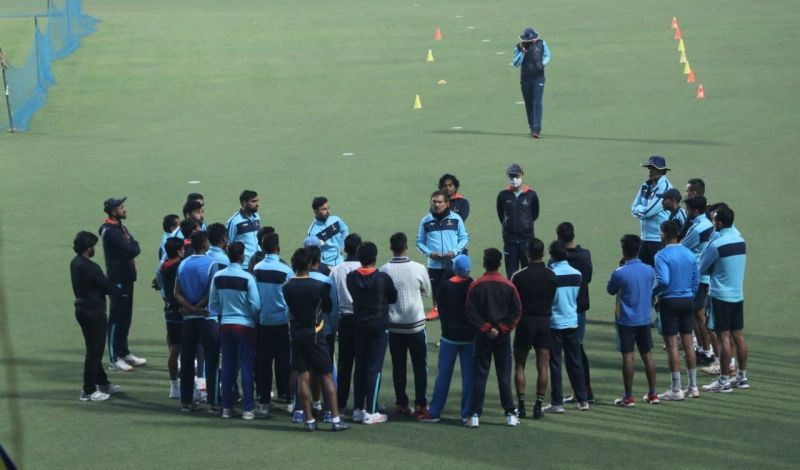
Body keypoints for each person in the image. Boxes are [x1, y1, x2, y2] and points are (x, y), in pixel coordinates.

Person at [283, 248, 349, 432]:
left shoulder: (287, 286)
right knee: (326, 375)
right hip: (316, 334)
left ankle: (309, 419)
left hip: (296, 335)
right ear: (310, 264)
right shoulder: (318, 286)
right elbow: (328, 309)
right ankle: (335, 418)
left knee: (303, 376)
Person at [464, 248, 522, 428]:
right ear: (500, 263)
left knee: (480, 374)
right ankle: (510, 413)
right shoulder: (509, 286)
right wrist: (501, 328)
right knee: (503, 374)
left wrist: (487, 328)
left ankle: (474, 415)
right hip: (503, 337)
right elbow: (516, 312)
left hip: (482, 336)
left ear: (484, 263)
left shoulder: (476, 285)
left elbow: (470, 312)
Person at [417, 255, 474, 423]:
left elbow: (440, 308)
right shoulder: (473, 285)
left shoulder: (445, 287)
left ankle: (434, 411)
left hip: (449, 336)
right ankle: (467, 414)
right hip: (469, 338)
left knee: (443, 375)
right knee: (469, 376)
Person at [380, 232, 432, 417]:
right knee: (420, 365)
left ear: (391, 247)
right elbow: (427, 291)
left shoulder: (384, 269)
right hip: (415, 325)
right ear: (406, 246)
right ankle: (421, 405)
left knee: (398, 366)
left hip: (394, 326)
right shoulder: (418, 268)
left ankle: (401, 403)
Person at [347, 242, 398, 425]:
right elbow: (393, 297)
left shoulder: (351, 277)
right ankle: (372, 410)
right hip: (378, 326)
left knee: (360, 366)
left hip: (359, 325)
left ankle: (359, 408)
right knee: (374, 369)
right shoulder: (382, 278)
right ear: (375, 257)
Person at [699, 206, 749, 393]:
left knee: (723, 338)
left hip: (720, 296)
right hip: (737, 294)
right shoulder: (740, 241)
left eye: (713, 220)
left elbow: (701, 268)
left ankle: (724, 381)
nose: (712, 223)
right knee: (738, 336)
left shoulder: (716, 244)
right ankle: (742, 377)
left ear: (719, 223)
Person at [209, 242, 261, 420]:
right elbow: (255, 305)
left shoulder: (218, 276)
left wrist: (224, 313)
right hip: (245, 325)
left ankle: (227, 408)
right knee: (246, 367)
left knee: (228, 367)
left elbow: (213, 304)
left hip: (225, 325)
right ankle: (248, 408)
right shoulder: (248, 277)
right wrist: (252, 319)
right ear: (242, 256)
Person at [607, 234, 658, 406]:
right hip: (645, 318)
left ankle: (628, 397)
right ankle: (653, 394)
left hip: (626, 321)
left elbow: (610, 290)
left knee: (628, 357)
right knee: (647, 355)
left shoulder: (620, 273)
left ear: (624, 250)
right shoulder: (649, 270)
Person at [70, 231, 121, 402]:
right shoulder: (91, 267)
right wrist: (118, 290)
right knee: (94, 352)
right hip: (94, 312)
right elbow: (108, 287)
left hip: (82, 309)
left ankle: (102, 382)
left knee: (94, 349)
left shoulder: (75, 263)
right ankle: (88, 390)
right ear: (88, 248)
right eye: (93, 246)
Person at [653, 220, 700, 401]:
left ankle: (676, 388)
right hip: (687, 301)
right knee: (689, 344)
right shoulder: (689, 254)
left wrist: (653, 293)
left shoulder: (661, 255)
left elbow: (663, 281)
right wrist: (689, 295)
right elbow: (695, 280)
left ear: (664, 234)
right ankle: (693, 387)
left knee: (672, 345)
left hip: (669, 302)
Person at [510, 238, 556, 419]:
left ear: (527, 253)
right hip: (544, 322)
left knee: (519, 365)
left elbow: (514, 301)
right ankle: (538, 406)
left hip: (525, 322)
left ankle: (521, 406)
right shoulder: (552, 275)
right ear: (543, 253)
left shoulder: (518, 276)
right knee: (543, 367)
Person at [99, 197, 146, 372]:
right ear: (113, 211)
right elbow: (132, 249)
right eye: (121, 207)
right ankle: (114, 358)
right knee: (116, 319)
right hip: (117, 280)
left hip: (127, 278)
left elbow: (135, 246)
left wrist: (132, 247)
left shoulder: (119, 227)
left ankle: (124, 352)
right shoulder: (110, 231)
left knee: (125, 318)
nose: (124, 209)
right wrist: (132, 247)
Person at [174, 231, 218, 413]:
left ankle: (186, 402)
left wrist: (190, 309)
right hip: (207, 318)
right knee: (212, 360)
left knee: (186, 359)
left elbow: (176, 292)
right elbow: (212, 292)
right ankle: (213, 404)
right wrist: (198, 308)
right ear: (206, 244)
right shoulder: (211, 264)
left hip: (189, 320)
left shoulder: (183, 264)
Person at [544, 241, 589, 413]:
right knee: (575, 361)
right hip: (572, 321)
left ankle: (557, 403)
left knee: (555, 363)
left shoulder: (551, 275)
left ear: (552, 255)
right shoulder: (577, 274)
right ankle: (582, 399)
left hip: (555, 323)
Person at [252, 232, 293, 415]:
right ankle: (286, 394)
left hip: (263, 321)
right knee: (284, 361)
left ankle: (264, 401)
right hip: (282, 322)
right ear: (278, 248)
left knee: (264, 361)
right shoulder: (286, 270)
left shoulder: (257, 268)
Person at [416, 190, 469, 320]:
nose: (437, 205)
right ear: (430, 203)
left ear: (447, 204)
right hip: (434, 264)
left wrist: (454, 252)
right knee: (437, 290)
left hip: (452, 264)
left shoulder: (456, 219)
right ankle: (436, 309)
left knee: (454, 291)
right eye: (434, 202)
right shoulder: (425, 221)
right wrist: (430, 253)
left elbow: (464, 238)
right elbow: (419, 242)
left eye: (440, 202)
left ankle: (456, 310)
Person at [557, 222, 595, 404]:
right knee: (578, 348)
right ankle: (585, 389)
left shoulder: (557, 258)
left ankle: (579, 393)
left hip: (564, 309)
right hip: (580, 306)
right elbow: (588, 278)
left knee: (571, 352)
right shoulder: (585, 255)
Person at [329, 233, 363, 414]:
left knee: (344, 364)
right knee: (361, 363)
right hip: (361, 319)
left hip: (344, 320)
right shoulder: (365, 268)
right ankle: (360, 405)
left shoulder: (337, 269)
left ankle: (340, 404)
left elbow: (332, 299)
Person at [681, 196, 716, 366]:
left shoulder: (698, 229)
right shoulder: (707, 224)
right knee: (698, 316)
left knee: (699, 316)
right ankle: (704, 350)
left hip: (699, 277)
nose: (686, 212)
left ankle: (707, 352)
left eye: (688, 209)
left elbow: (681, 246)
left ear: (695, 210)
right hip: (702, 276)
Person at [496, 163, 540, 278]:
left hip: (526, 240)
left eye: (517, 176)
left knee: (529, 274)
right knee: (511, 275)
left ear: (522, 175)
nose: (514, 179)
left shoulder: (531, 195)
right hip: (510, 241)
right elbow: (501, 216)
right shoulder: (503, 195)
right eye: (511, 177)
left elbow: (534, 214)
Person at [631, 156, 673, 266]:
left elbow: (648, 212)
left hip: (658, 240)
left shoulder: (665, 188)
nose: (650, 171)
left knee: (658, 274)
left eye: (653, 168)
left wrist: (640, 210)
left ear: (662, 171)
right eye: (649, 168)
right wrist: (642, 211)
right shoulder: (645, 186)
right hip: (644, 238)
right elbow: (633, 208)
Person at [512, 27, 551, 138]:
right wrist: (523, 53)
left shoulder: (542, 43)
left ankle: (536, 129)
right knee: (528, 104)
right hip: (525, 79)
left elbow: (548, 55)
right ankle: (532, 126)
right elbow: (516, 63)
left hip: (538, 78)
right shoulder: (519, 47)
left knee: (537, 103)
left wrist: (543, 64)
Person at [158, 237, 185, 399]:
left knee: (173, 348)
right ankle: (183, 386)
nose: (184, 251)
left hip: (169, 311)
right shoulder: (179, 267)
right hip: (180, 312)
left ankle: (174, 385)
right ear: (177, 251)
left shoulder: (163, 267)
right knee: (180, 350)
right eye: (182, 249)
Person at [307, 196, 349, 268]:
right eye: (323, 209)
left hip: (340, 261)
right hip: (327, 265)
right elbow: (314, 252)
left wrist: (342, 246)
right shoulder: (313, 232)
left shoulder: (336, 220)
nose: (328, 212)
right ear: (315, 211)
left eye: (328, 208)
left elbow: (345, 230)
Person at [226, 190, 261, 267]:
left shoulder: (257, 217)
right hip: (244, 265)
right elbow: (228, 244)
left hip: (258, 263)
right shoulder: (234, 221)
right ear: (244, 203)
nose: (257, 204)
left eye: (257, 201)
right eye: (253, 201)